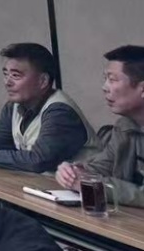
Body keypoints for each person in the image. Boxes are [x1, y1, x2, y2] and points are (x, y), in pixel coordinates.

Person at [0, 43, 94, 173]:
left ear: (43, 81)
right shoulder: (14, 106)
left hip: (88, 189)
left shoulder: (60, 112)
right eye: (5, 74)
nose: (7, 82)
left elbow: (38, 160)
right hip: (41, 186)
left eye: (15, 75)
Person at [57, 45, 144, 208]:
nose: (105, 87)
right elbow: (102, 165)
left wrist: (94, 185)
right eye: (105, 79)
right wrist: (72, 172)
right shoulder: (124, 126)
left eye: (112, 80)